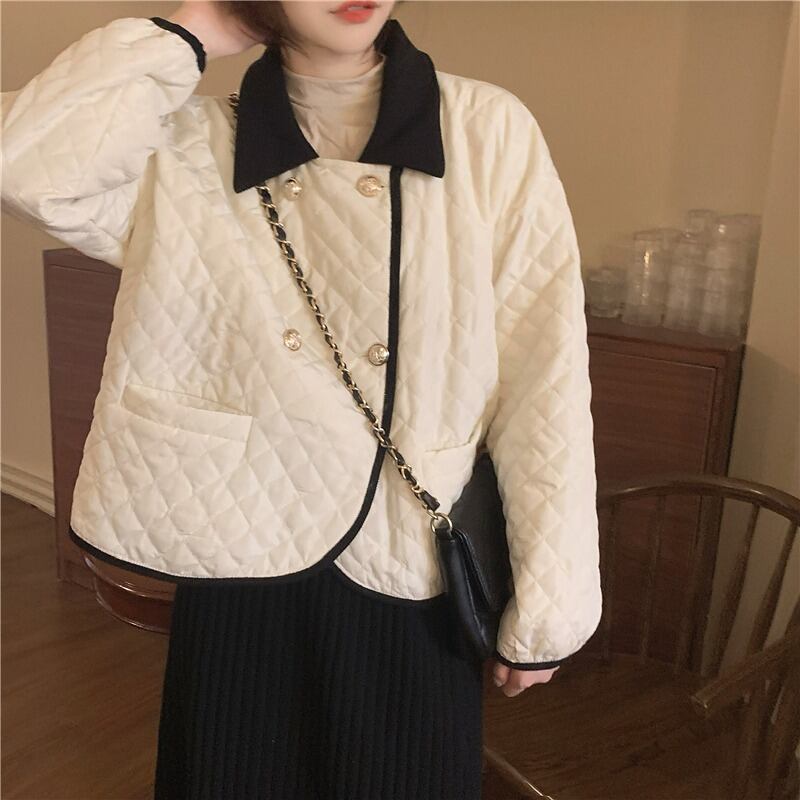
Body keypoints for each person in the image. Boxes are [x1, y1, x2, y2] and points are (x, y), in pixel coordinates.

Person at [1, 1, 603, 797]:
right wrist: (198, 28)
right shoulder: (184, 140)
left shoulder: (487, 130)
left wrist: (553, 600)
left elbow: (544, 374)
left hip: (409, 563)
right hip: (235, 552)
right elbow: (27, 168)